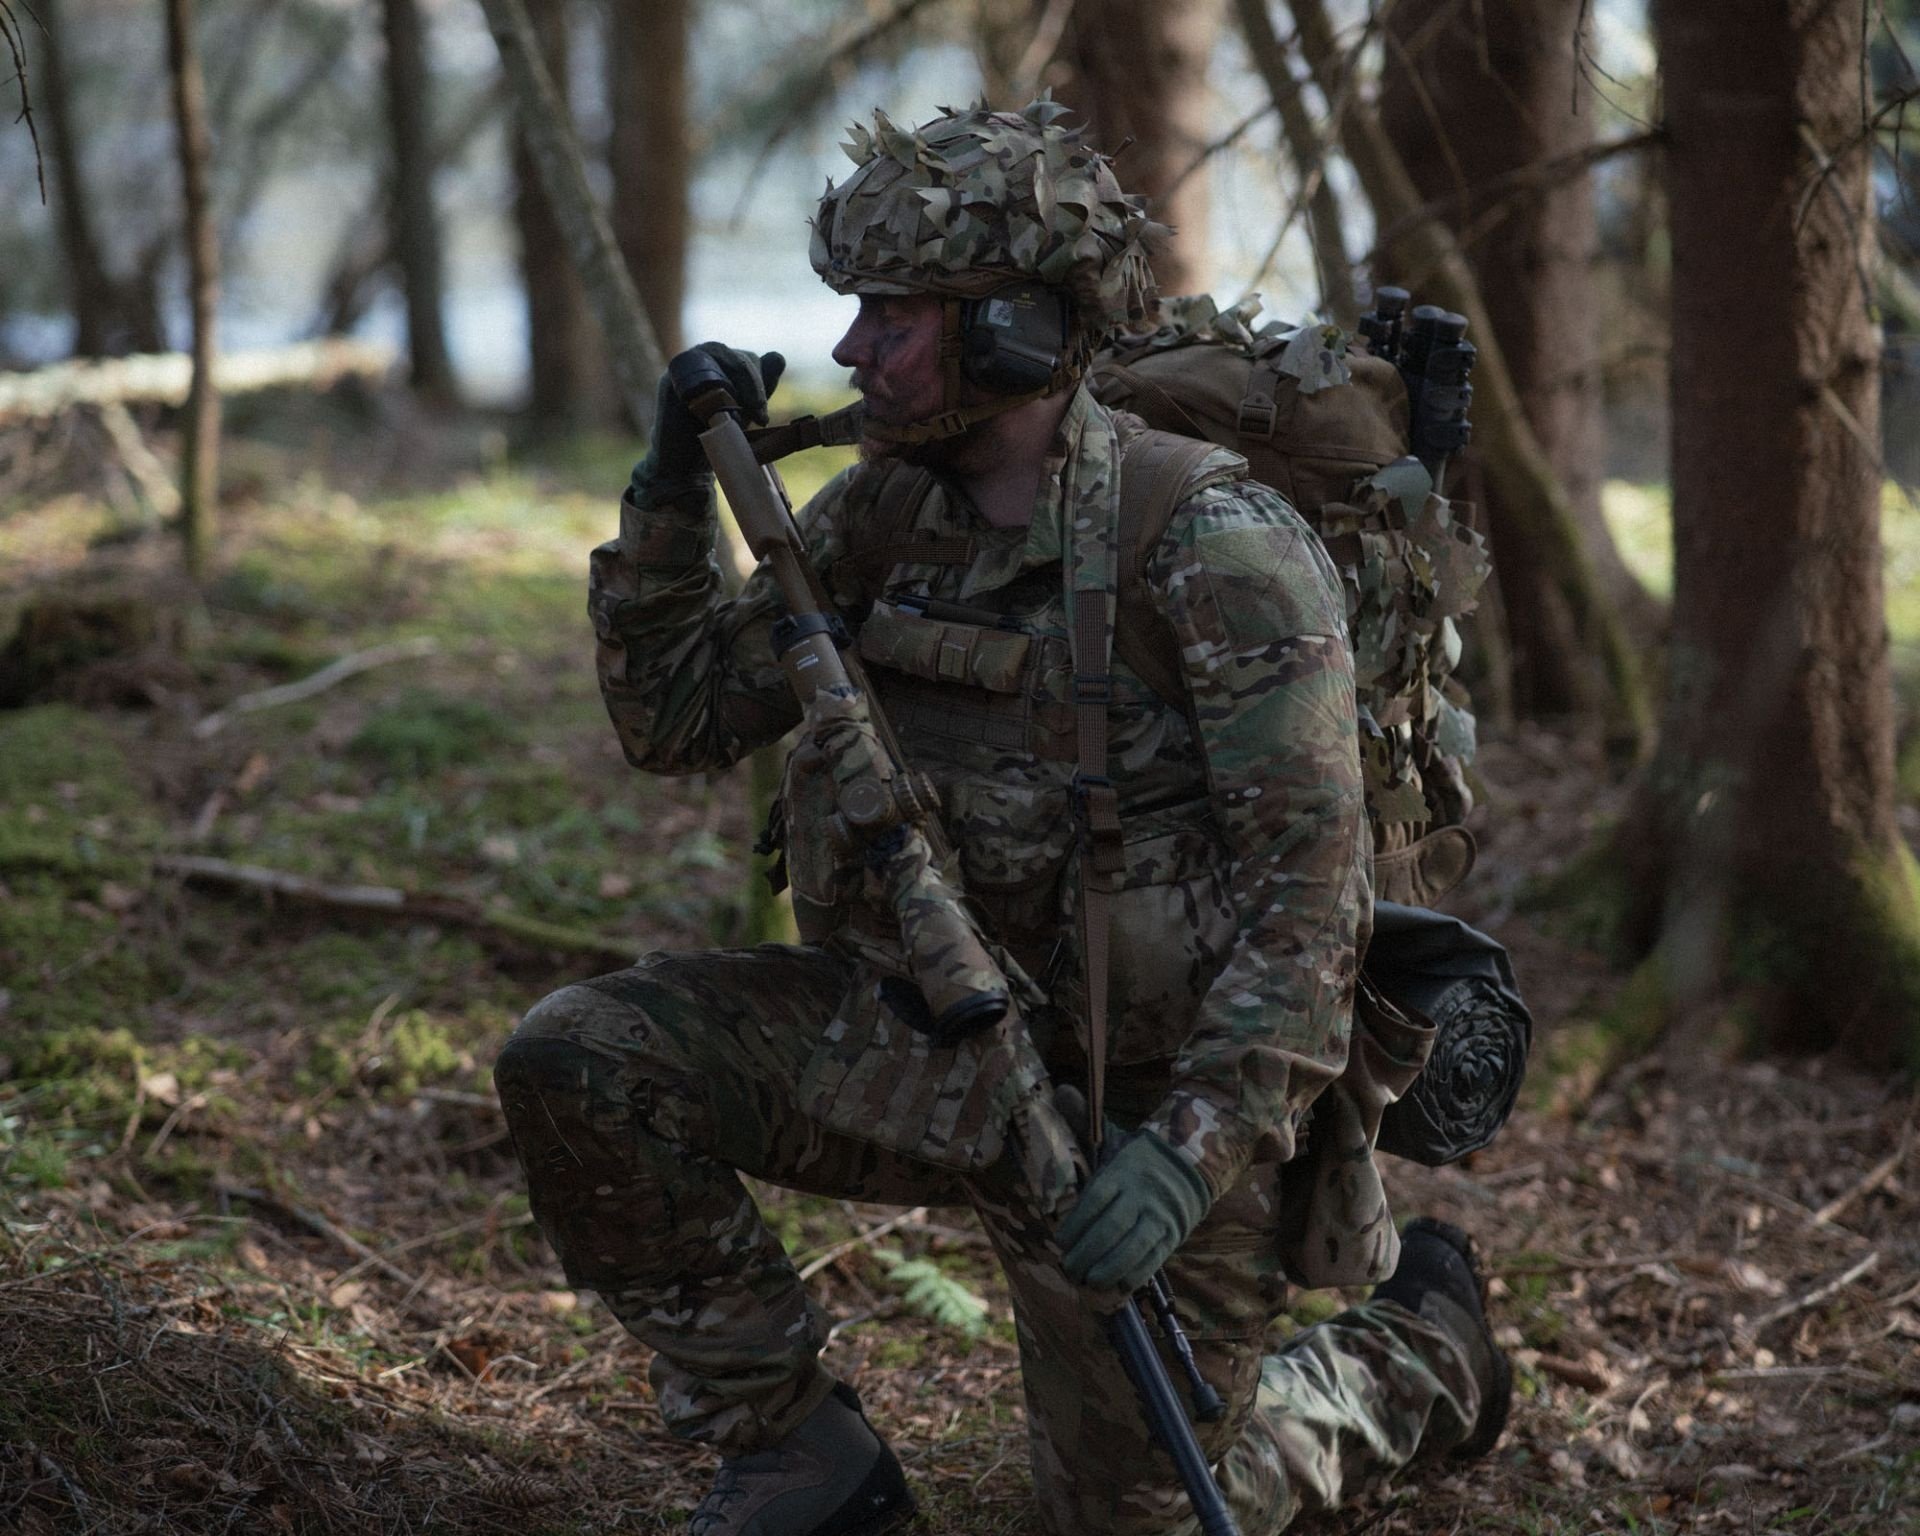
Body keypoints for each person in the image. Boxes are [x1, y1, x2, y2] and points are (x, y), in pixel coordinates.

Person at [493, 100, 1510, 1536]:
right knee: (582, 1061)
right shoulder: (877, 514)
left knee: (1149, 1515)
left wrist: (1187, 1157)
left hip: (1143, 1115)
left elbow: (1313, 907)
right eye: (857, 315)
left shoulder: (1214, 549)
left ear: (1021, 334)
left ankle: (1419, 1358)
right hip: (927, 1046)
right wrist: (666, 489)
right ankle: (803, 1458)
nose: (850, 353)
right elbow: (673, 718)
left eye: (895, 318)